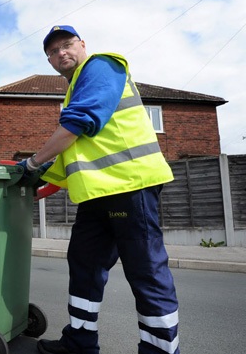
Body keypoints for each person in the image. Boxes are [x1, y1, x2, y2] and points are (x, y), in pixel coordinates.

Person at [17, 25, 179, 354]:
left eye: (67, 44)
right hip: (96, 197)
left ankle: (161, 351)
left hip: (131, 187)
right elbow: (71, 158)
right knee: (84, 263)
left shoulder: (102, 66)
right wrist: (33, 188)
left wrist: (32, 164)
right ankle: (79, 342)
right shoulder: (74, 89)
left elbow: (78, 123)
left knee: (145, 271)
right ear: (49, 60)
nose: (61, 52)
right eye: (53, 51)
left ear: (83, 45)